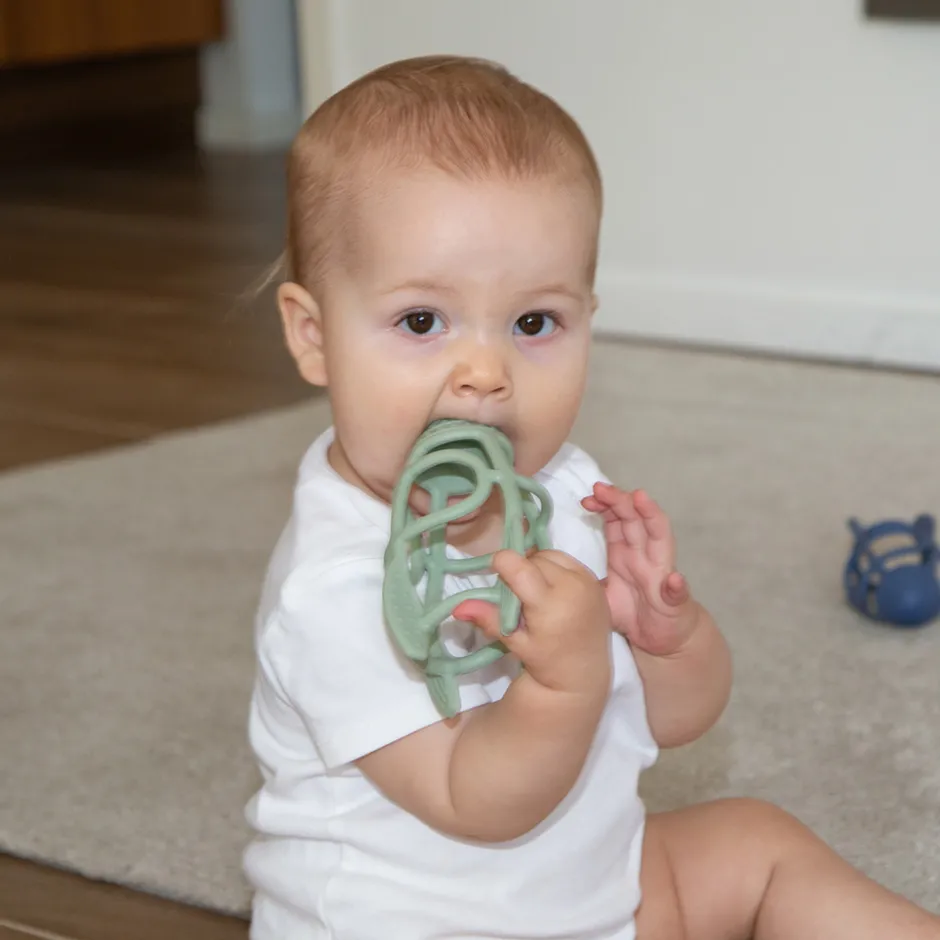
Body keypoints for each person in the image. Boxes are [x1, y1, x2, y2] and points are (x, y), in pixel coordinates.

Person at [243, 54, 940, 940]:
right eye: (422, 321)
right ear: (313, 337)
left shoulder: (568, 490)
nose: (486, 371)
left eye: (534, 323)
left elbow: (678, 721)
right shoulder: (334, 585)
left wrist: (667, 639)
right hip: (418, 922)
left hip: (592, 885)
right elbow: (473, 799)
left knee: (757, 845)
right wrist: (565, 680)